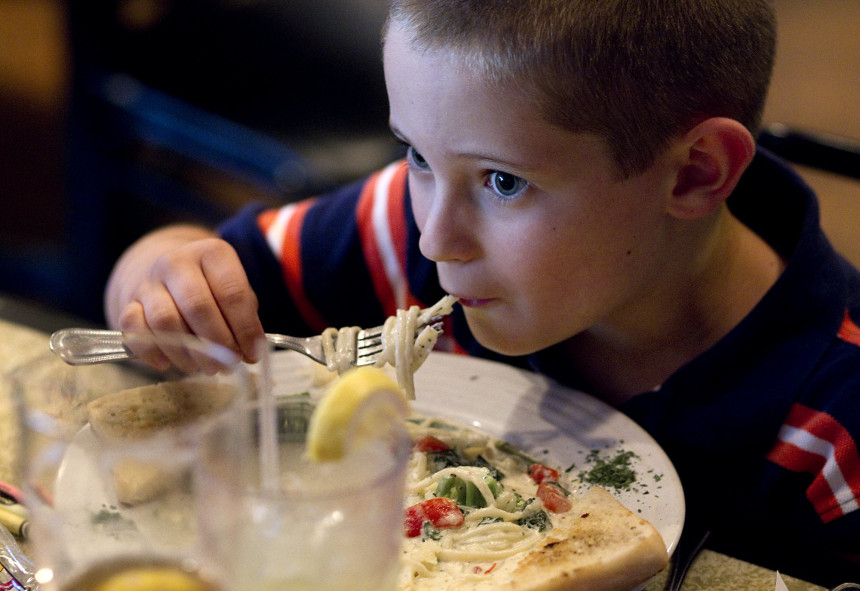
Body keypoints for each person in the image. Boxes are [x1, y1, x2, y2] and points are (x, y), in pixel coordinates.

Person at [104, 0, 860, 584]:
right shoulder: (396, 229)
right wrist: (161, 279)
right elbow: (188, 275)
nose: (435, 238)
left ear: (694, 173)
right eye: (416, 154)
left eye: (504, 181)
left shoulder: (836, 435)